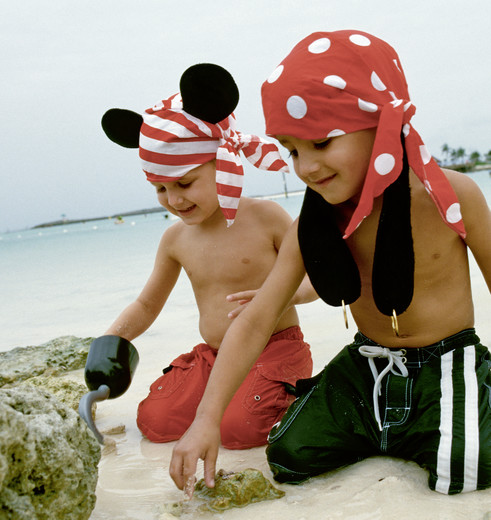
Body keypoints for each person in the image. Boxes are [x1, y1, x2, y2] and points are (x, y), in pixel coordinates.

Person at [169, 31, 491, 496]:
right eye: (292, 149)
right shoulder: (315, 222)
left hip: (445, 361)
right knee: (288, 453)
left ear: (380, 125)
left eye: (321, 143)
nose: (305, 167)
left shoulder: (451, 196)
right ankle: (390, 429)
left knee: (466, 469)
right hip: (367, 364)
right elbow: (259, 318)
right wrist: (206, 420)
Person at [99, 63, 315, 450]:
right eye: (161, 189)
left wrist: (282, 296)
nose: (174, 199)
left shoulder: (265, 218)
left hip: (274, 348)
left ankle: (293, 397)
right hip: (215, 356)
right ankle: (218, 402)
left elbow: (317, 277)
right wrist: (112, 339)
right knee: (155, 421)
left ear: (223, 166)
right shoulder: (175, 240)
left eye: (184, 183)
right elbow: (147, 304)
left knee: (239, 431)